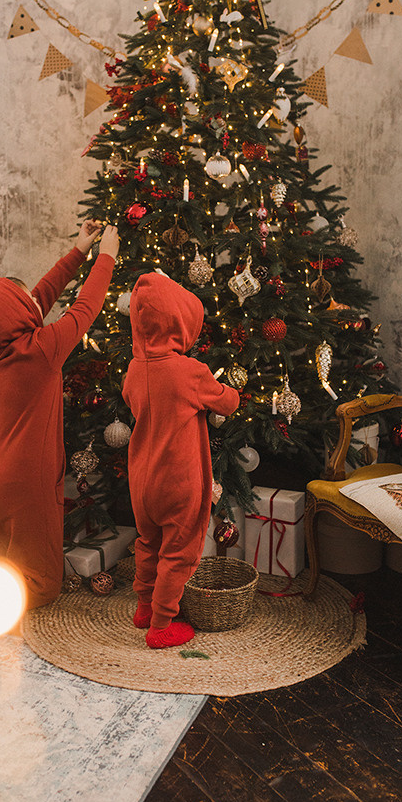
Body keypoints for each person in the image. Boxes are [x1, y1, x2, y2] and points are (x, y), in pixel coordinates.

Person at [0, 220, 119, 609]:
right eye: (26, 300)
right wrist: (106, 258)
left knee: (6, 565)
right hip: (25, 483)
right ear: (19, 315)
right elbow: (85, 308)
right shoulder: (43, 350)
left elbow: (40, 296)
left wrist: (79, 249)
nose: (36, 299)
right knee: (41, 586)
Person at [122, 272, 240, 649]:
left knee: (147, 542)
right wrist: (232, 391)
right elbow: (227, 402)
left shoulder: (135, 368)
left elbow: (130, 398)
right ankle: (161, 625)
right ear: (179, 322)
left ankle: (144, 607)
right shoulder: (188, 371)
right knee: (178, 551)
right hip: (178, 479)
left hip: (142, 478)